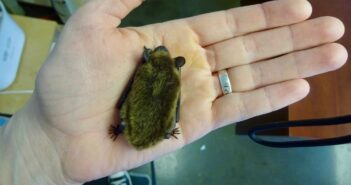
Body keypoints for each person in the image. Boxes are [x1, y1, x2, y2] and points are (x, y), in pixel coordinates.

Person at [0, 0, 348, 184]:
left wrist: (41, 160)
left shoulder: (150, 71)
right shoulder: (167, 79)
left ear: (147, 60)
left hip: (137, 128)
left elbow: (138, 94)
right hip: (139, 130)